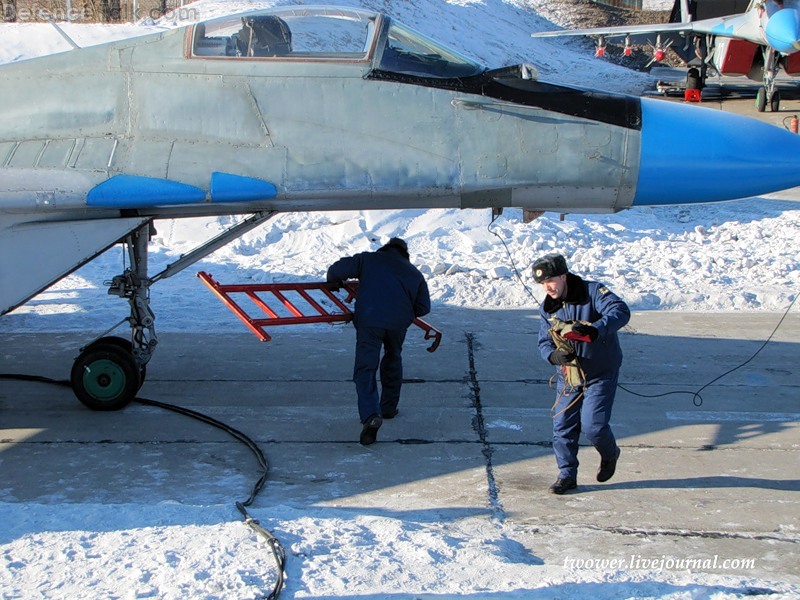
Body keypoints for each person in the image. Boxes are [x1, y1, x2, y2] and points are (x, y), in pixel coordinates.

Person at [533, 253, 630, 494]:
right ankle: (567, 474)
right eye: (543, 283)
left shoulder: (593, 292)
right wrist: (554, 356)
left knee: (594, 426)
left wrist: (596, 330)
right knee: (562, 425)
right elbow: (544, 342)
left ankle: (610, 453)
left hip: (600, 373)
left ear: (564, 276)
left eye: (551, 281)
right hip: (569, 376)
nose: (548, 287)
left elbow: (621, 311)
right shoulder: (549, 307)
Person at [327, 237, 431, 446]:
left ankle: (371, 415)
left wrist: (334, 283)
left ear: (385, 248)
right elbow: (423, 308)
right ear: (405, 254)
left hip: (370, 321)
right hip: (398, 324)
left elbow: (336, 269)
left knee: (365, 368)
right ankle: (389, 408)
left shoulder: (368, 259)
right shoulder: (414, 273)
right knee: (393, 359)